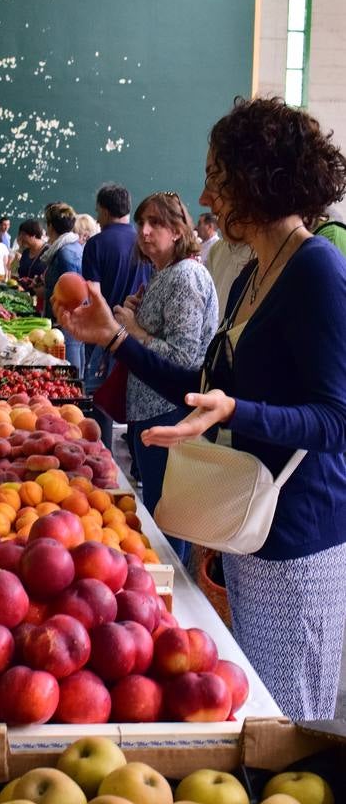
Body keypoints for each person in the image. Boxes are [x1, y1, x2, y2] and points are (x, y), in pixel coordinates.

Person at [56, 97, 346, 720]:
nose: (208, 194)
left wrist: (235, 411)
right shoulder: (252, 274)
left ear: (256, 178)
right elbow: (202, 382)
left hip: (297, 538)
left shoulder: (316, 269)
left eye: (218, 175)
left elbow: (335, 420)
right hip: (246, 523)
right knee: (249, 709)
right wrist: (113, 339)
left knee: (286, 724)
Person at [58, 191, 218, 565]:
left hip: (170, 413)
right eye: (141, 223)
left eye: (157, 224)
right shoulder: (162, 274)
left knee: (168, 518)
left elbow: (185, 359)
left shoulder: (186, 277)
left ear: (178, 231)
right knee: (158, 508)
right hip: (150, 410)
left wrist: (132, 331)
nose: (144, 232)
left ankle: (172, 590)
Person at [82, 184, 152, 450]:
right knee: (131, 394)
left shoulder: (97, 244)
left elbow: (93, 295)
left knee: (101, 396)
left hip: (105, 332)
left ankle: (102, 454)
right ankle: (136, 462)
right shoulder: (142, 241)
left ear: (103, 209)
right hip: (137, 331)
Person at [43, 202, 85, 376]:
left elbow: (72, 292)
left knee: (70, 373)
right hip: (72, 322)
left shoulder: (65, 253)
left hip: (68, 323)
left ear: (51, 226)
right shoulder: (72, 247)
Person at [15, 218, 48, 310]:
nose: (21, 237)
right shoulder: (25, 252)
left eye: (24, 234)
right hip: (24, 300)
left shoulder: (47, 252)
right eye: (20, 234)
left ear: (33, 235)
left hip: (41, 302)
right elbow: (16, 271)